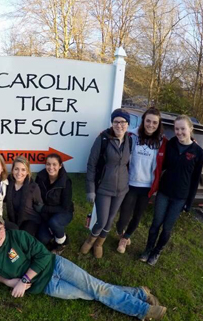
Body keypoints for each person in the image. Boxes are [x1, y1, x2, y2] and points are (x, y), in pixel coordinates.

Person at [0, 213, 167, 321]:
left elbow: (42, 255)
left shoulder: (17, 236)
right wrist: (8, 281)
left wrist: (24, 279)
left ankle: (143, 310)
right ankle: (139, 293)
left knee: (97, 288)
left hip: (55, 265)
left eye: (0, 229)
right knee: (92, 293)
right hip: (47, 286)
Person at [140, 115, 203, 266]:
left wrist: (189, 202)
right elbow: (161, 162)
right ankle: (148, 249)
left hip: (180, 197)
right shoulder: (171, 143)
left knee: (167, 227)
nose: (179, 132)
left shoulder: (198, 152)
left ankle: (156, 252)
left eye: (183, 129)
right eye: (176, 129)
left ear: (190, 129)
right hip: (164, 192)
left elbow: (195, 179)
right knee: (156, 223)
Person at [115, 108, 167, 254]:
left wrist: (191, 141)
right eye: (148, 121)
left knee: (137, 216)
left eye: (154, 122)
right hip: (130, 183)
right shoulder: (132, 135)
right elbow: (115, 132)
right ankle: (121, 232)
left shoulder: (162, 141)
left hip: (147, 186)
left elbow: (179, 145)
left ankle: (125, 239)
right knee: (123, 217)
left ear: (158, 124)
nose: (151, 125)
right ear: (143, 121)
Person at [81, 108, 131, 258]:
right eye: (116, 121)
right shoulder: (103, 139)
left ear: (127, 124)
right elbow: (91, 164)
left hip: (121, 189)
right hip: (103, 187)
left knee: (110, 220)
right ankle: (90, 241)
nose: (119, 125)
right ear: (112, 123)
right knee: (102, 220)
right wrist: (91, 188)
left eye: (123, 122)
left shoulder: (131, 139)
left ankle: (99, 244)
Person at [35, 153, 74, 254]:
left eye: (54, 164)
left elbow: (64, 207)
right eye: (48, 164)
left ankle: (61, 243)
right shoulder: (40, 177)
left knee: (54, 222)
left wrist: (44, 209)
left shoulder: (66, 182)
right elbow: (37, 197)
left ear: (60, 166)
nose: (51, 167)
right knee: (42, 238)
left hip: (64, 212)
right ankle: (58, 233)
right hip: (46, 213)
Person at [6, 156, 44, 237]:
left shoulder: (33, 187)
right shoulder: (7, 184)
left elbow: (39, 205)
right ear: (12, 170)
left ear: (27, 172)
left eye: (23, 169)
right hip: (13, 219)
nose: (19, 173)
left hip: (30, 219)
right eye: (16, 169)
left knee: (21, 238)